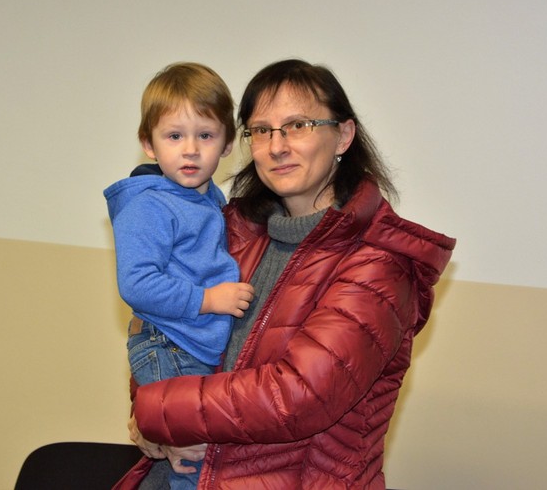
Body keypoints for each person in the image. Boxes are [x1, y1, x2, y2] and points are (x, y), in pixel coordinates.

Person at [115, 59, 456, 489]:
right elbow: (163, 330)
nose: (277, 146)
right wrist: (148, 417)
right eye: (261, 130)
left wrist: (157, 410)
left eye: (298, 125)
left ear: (343, 135)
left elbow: (297, 396)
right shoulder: (232, 229)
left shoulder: (380, 265)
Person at [104, 62, 255, 490]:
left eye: (205, 136)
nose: (190, 150)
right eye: (174, 136)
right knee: (192, 464)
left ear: (227, 144)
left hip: (190, 347)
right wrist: (209, 300)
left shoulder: (209, 199)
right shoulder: (149, 205)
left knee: (190, 463)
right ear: (148, 143)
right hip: (168, 347)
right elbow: (136, 284)